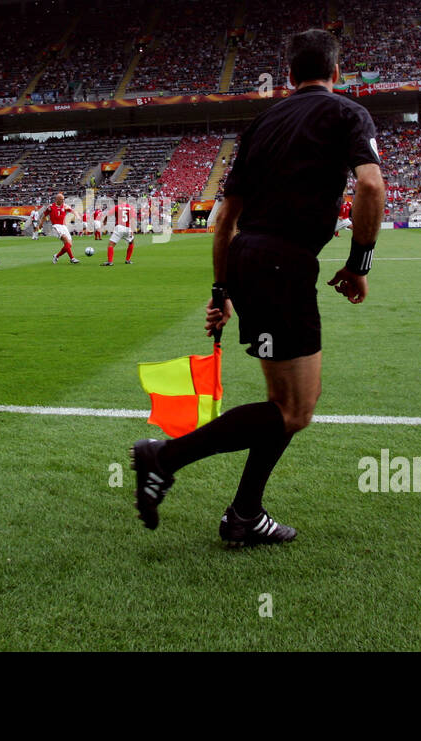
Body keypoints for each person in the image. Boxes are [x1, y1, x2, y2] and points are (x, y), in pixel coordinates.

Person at [130, 28, 385, 547]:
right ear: (336, 73)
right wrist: (360, 263)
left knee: (282, 405)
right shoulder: (346, 112)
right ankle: (164, 457)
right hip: (281, 265)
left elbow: (225, 220)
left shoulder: (262, 122)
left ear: (289, 76)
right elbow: (371, 184)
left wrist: (222, 289)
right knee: (295, 410)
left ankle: (244, 514)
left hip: (250, 260)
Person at [45, 192, 80, 264]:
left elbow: (73, 211)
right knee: (66, 240)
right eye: (62, 199)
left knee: (69, 245)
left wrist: (77, 216)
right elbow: (44, 215)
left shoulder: (65, 206)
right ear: (57, 199)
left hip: (64, 227)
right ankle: (72, 258)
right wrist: (41, 223)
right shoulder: (51, 207)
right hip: (56, 226)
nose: (63, 201)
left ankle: (56, 256)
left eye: (63, 199)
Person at [100, 199, 137, 266]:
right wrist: (132, 229)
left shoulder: (117, 207)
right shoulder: (131, 207)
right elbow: (133, 219)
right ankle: (128, 260)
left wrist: (105, 221)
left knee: (111, 244)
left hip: (119, 227)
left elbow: (108, 214)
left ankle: (110, 261)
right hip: (128, 228)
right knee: (131, 242)